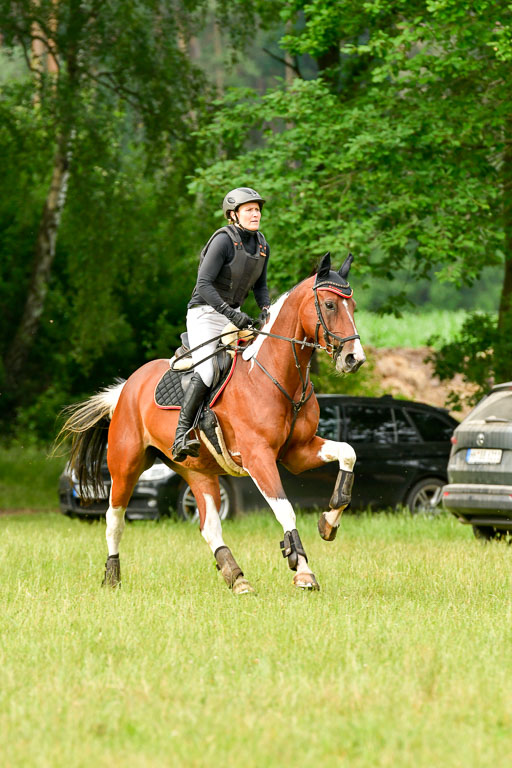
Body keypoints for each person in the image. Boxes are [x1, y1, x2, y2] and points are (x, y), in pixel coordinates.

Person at [171, 187, 271, 462]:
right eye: (249, 209)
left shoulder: (262, 245)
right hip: (204, 313)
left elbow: (260, 286)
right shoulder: (223, 241)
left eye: (258, 209)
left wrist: (266, 310)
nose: (256, 213)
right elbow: (203, 285)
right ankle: (181, 435)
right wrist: (232, 314)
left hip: (232, 315)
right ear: (233, 214)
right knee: (207, 371)